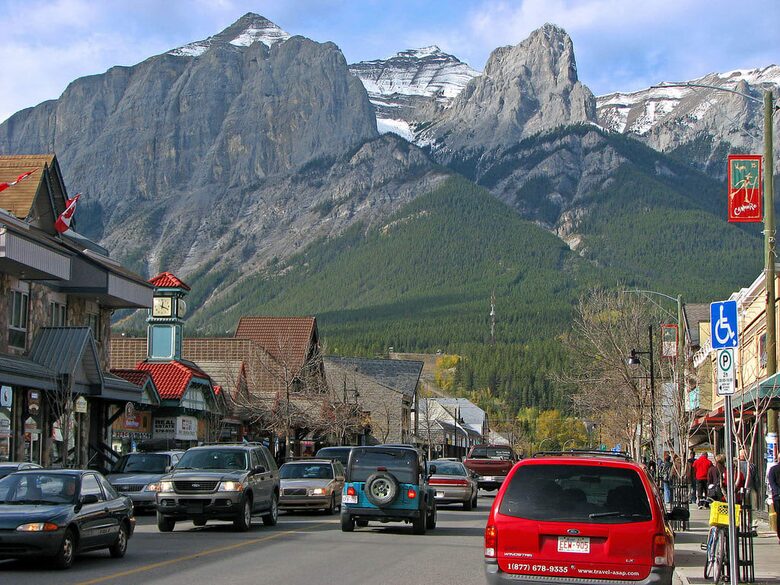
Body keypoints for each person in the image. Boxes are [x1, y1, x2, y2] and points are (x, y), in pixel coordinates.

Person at [767, 454, 780, 544]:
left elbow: (772, 483)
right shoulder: (773, 469)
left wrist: (777, 492)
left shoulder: (773, 469)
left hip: (777, 497)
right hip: (777, 496)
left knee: (779, 517)